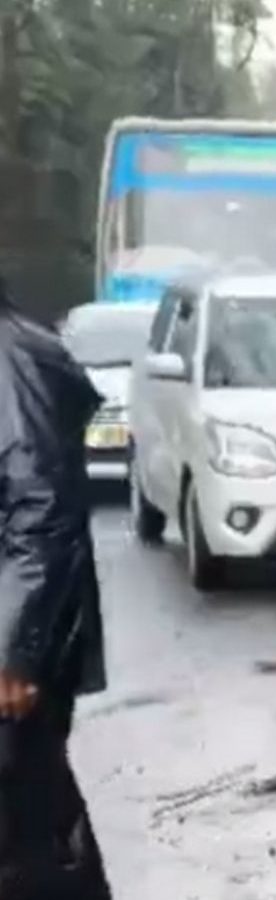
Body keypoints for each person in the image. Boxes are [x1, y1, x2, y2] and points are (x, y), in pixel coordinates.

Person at [0, 276, 112, 899]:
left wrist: (13, 650)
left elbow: (40, 509)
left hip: (15, 639)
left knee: (27, 835)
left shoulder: (10, 361)